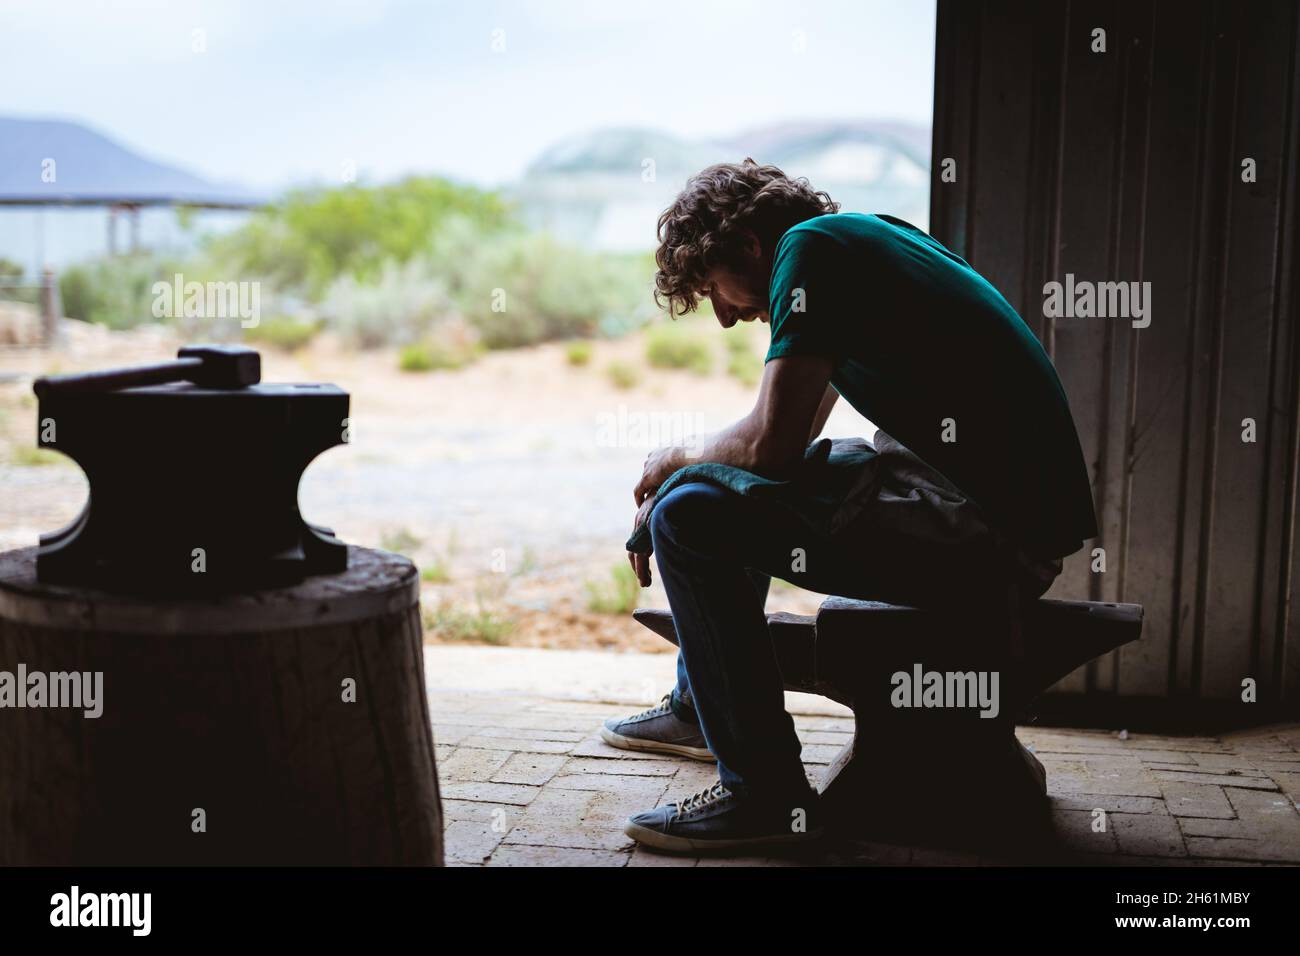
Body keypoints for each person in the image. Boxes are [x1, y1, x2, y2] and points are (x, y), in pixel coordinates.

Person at [602, 159, 1097, 854]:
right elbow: (787, 440)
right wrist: (696, 472)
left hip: (986, 529)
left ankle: (764, 795)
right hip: (979, 506)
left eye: (715, 288)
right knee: (712, 494)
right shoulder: (856, 241)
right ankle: (700, 712)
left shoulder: (812, 252)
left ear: (747, 244)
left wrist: (670, 462)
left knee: (692, 514)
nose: (722, 316)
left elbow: (770, 446)